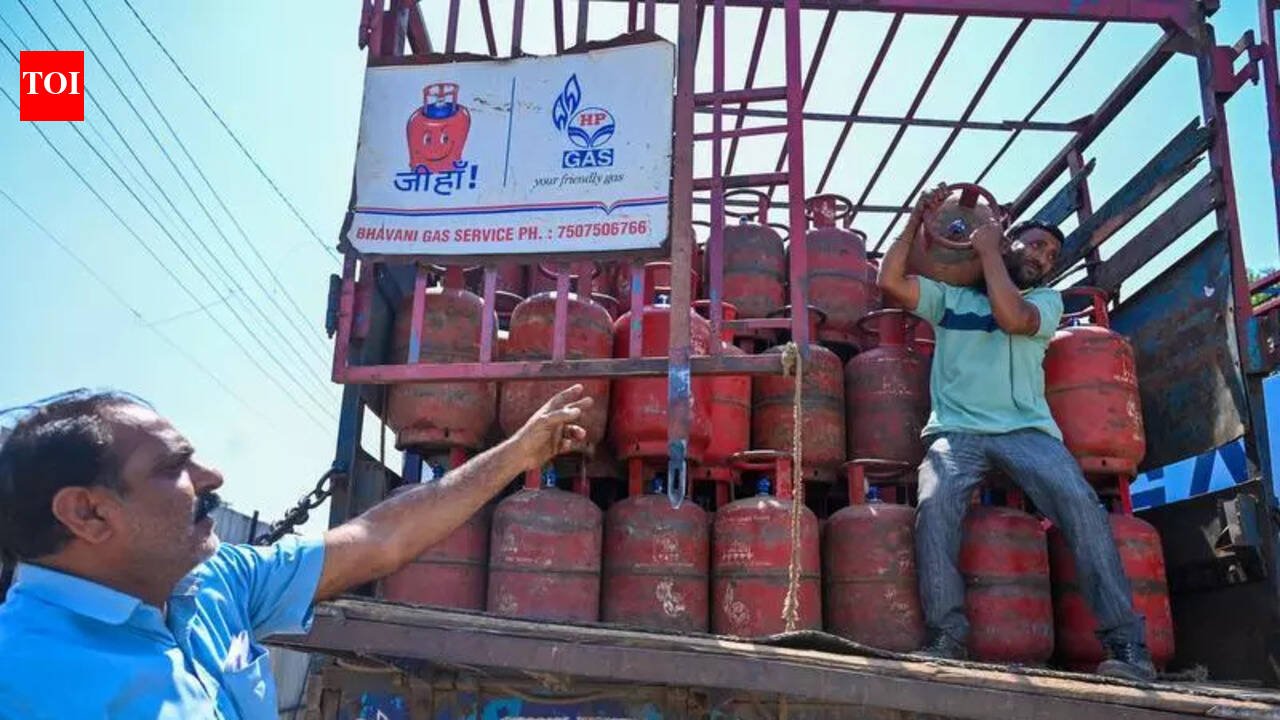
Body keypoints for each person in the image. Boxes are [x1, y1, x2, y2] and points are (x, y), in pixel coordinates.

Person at [0, 384, 593, 719]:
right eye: (173, 466)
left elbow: (380, 539)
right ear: (89, 513)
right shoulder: (22, 678)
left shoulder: (216, 583)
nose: (212, 475)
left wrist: (517, 454)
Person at [876, 184, 1155, 681]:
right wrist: (916, 217)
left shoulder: (1045, 302)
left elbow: (1012, 318)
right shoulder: (950, 299)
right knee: (935, 506)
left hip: (1029, 432)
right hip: (957, 431)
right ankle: (947, 638)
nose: (1043, 257)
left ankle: (1128, 648)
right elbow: (891, 281)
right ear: (1008, 241)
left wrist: (988, 254)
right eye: (1036, 245)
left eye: (1052, 255)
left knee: (1082, 509)